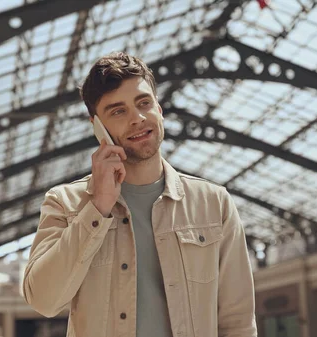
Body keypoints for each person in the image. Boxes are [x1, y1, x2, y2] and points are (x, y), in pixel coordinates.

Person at [22, 52, 257, 337]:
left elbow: (237, 321)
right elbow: (43, 300)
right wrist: (97, 208)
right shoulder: (65, 203)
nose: (138, 118)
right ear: (98, 127)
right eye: (118, 111)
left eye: (144, 103)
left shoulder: (213, 203)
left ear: (159, 110)